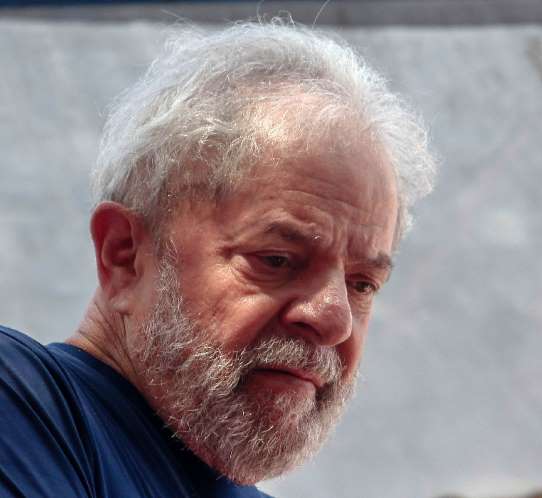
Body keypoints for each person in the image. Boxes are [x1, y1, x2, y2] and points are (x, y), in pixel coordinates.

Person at [0, 20, 436, 497]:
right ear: (124, 255)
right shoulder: (27, 407)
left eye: (363, 284)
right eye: (277, 259)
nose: (335, 320)